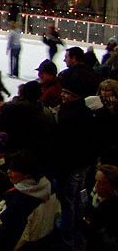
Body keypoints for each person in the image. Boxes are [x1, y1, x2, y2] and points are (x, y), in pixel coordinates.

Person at [53, 76, 97, 250]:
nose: (63, 95)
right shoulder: (83, 112)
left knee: (68, 201)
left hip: (70, 166)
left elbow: (64, 144)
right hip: (80, 164)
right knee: (76, 199)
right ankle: (75, 233)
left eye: (67, 93)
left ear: (76, 96)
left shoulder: (72, 115)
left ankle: (67, 237)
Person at [0, 151, 60, 250]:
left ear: (26, 174)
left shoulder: (17, 202)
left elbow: (7, 238)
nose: (8, 172)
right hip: (45, 241)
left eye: (13, 170)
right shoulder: (50, 189)